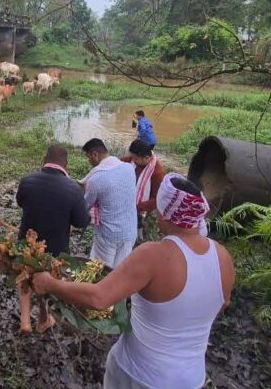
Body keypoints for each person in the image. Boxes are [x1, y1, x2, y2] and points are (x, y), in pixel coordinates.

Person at [32, 174, 235, 389]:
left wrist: (50, 284)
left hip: (141, 375)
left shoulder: (154, 255)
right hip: (191, 378)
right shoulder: (222, 257)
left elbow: (99, 297)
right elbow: (223, 304)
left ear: (163, 212)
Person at [15, 144, 90, 332]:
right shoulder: (73, 190)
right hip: (55, 248)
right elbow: (81, 222)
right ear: (66, 164)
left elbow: (20, 202)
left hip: (27, 241)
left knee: (24, 275)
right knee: (47, 283)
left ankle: (25, 321)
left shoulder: (27, 180)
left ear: (44, 159)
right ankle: (43, 319)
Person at [80, 138, 138, 268]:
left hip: (108, 235)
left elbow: (85, 205)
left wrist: (83, 191)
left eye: (89, 157)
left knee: (99, 270)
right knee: (120, 271)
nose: (89, 161)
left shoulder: (96, 179)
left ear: (95, 154)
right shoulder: (129, 168)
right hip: (129, 232)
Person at [121, 139, 167, 237]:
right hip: (128, 204)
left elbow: (157, 199)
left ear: (146, 158)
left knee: (140, 235)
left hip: (143, 210)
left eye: (136, 159)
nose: (133, 160)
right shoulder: (130, 161)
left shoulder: (157, 173)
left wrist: (136, 207)